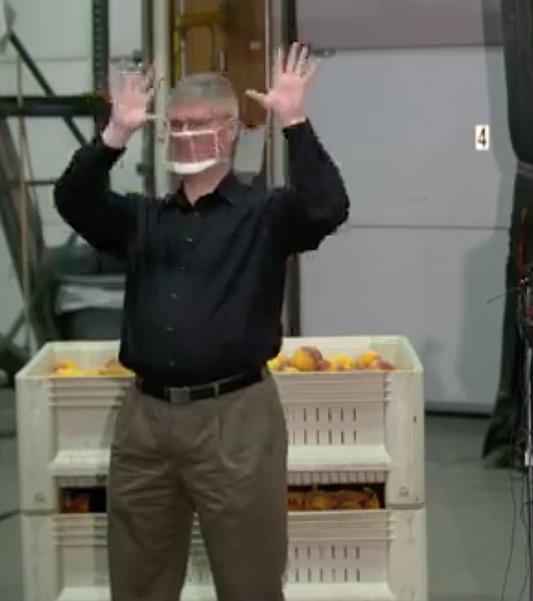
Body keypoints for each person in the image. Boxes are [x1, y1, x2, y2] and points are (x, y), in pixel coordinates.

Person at [52, 43, 349, 601]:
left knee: (249, 582)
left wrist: (294, 121)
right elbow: (72, 200)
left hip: (235, 420)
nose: (186, 136)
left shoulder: (266, 214)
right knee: (138, 581)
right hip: (145, 422)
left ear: (232, 130)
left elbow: (329, 206)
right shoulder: (142, 220)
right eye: (176, 125)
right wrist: (115, 132)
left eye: (200, 124)